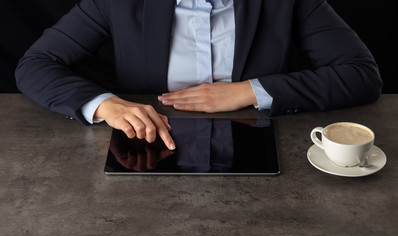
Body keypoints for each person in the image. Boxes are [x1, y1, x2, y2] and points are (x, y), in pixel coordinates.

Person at [15, 0, 382, 151]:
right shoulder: (115, 2)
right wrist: (107, 105)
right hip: (145, 146)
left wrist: (249, 91)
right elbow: (36, 64)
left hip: (260, 148)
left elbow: (362, 74)